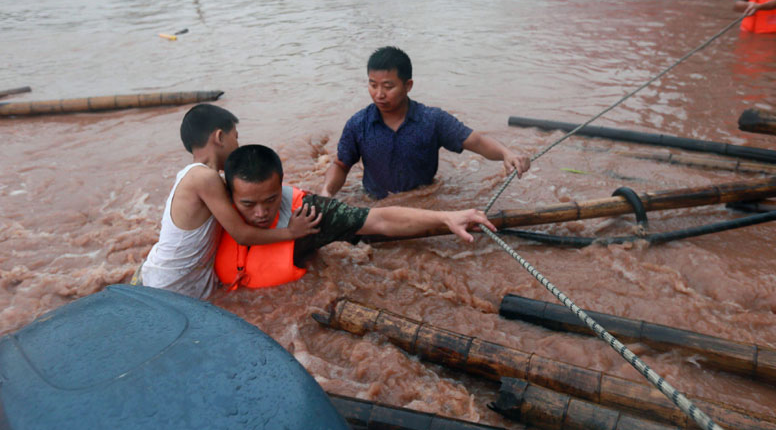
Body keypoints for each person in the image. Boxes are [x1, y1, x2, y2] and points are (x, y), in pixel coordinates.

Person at [215, 144, 496, 290]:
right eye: (248, 204)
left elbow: (379, 220)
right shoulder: (213, 209)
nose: (261, 213)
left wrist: (445, 218)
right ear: (229, 196)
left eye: (271, 200)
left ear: (282, 187)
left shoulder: (310, 213)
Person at [133, 104, 321, 299]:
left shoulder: (196, 176)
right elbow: (242, 235)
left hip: (174, 281)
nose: (237, 145)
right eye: (236, 137)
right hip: (168, 286)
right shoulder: (204, 178)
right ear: (220, 137)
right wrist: (291, 232)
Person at [320, 46, 531, 199]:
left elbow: (476, 141)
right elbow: (341, 164)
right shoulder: (358, 124)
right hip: (375, 203)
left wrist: (506, 154)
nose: (379, 94)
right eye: (373, 85)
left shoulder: (432, 120)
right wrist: (326, 192)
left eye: (388, 86)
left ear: (408, 85)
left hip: (423, 201)